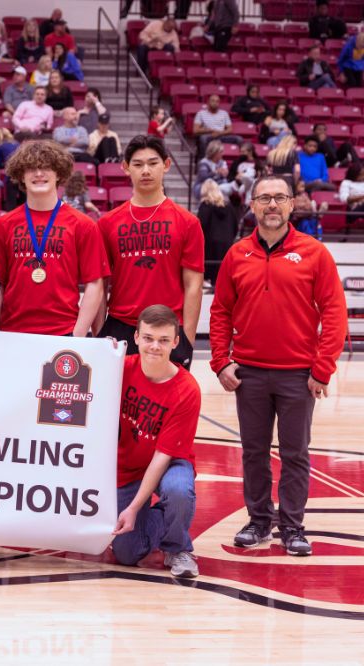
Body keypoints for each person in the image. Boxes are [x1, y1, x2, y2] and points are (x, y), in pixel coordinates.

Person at [211, 175, 348, 557]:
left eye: (279, 198)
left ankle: (292, 526)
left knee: (295, 453)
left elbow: (335, 313)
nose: (272, 205)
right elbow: (220, 310)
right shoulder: (237, 254)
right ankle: (258, 522)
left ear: (292, 205)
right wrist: (221, 361)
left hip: (298, 376)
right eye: (264, 198)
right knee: (253, 452)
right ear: (252, 205)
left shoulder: (314, 253)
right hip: (249, 374)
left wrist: (323, 369)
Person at [97, 135, 204, 367]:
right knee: (115, 402)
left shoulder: (187, 222)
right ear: (125, 168)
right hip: (120, 325)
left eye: (153, 163)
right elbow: (101, 284)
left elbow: (193, 285)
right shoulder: (107, 223)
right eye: (137, 164)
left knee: (166, 402)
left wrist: (188, 339)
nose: (146, 170)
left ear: (166, 165)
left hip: (168, 328)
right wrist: (99, 332)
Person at [111, 305, 201, 579]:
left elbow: (161, 457)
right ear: (136, 337)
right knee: (126, 553)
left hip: (168, 462)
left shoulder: (187, 390)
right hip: (129, 466)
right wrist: (100, 354)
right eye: (148, 338)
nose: (154, 346)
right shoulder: (119, 369)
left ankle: (178, 547)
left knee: (177, 490)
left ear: (176, 342)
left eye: (163, 340)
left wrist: (134, 508)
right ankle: (164, 518)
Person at [0, 140, 108, 336]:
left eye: (46, 167)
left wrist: (78, 335)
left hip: (64, 332)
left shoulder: (83, 225)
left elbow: (94, 283)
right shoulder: (4, 224)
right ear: (21, 176)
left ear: (59, 173)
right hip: (12, 332)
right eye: (31, 168)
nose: (39, 173)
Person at [197, 179, 239, 285]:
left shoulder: (205, 206)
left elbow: (200, 227)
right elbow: (235, 226)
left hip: (209, 246)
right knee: (222, 277)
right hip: (227, 243)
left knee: (210, 278)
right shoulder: (229, 207)